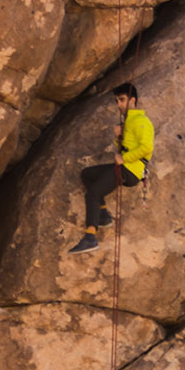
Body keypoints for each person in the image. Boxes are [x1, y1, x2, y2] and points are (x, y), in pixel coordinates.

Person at [69, 83, 155, 254]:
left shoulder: (141, 121)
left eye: (122, 100)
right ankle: (103, 215)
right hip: (125, 167)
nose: (119, 104)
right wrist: (119, 138)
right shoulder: (129, 122)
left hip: (130, 171)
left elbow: (146, 148)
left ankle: (90, 237)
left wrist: (124, 158)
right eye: (117, 101)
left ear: (133, 100)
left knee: (93, 192)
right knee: (87, 174)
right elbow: (126, 146)